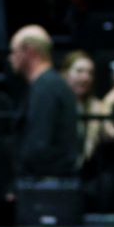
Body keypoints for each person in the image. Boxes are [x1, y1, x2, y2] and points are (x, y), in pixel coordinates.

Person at [9, 25, 81, 178]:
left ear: (29, 51)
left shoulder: (46, 88)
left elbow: (38, 145)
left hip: (46, 184)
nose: (11, 57)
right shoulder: (49, 84)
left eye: (14, 51)